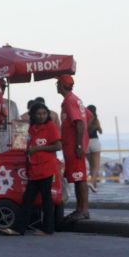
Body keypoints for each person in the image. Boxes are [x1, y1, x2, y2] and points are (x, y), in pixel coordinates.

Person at [4, 102, 62, 236]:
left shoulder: (50, 127)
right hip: (34, 169)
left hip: (46, 168)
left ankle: (44, 228)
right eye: (38, 114)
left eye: (44, 113)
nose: (41, 116)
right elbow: (21, 143)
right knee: (29, 200)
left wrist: (38, 149)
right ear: (33, 115)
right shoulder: (31, 128)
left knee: (44, 199)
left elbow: (58, 146)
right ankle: (21, 228)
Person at [57, 74, 90, 222]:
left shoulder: (70, 101)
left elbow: (79, 123)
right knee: (78, 178)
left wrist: (78, 144)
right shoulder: (75, 100)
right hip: (72, 146)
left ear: (62, 85)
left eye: (58, 84)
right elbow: (89, 117)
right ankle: (80, 209)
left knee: (80, 178)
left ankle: (83, 210)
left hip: (74, 147)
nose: (56, 86)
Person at [86, 105, 103, 192]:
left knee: (91, 165)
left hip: (86, 143)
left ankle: (94, 186)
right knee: (96, 166)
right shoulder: (96, 120)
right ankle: (92, 182)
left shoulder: (84, 120)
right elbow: (100, 131)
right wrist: (97, 127)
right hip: (95, 142)